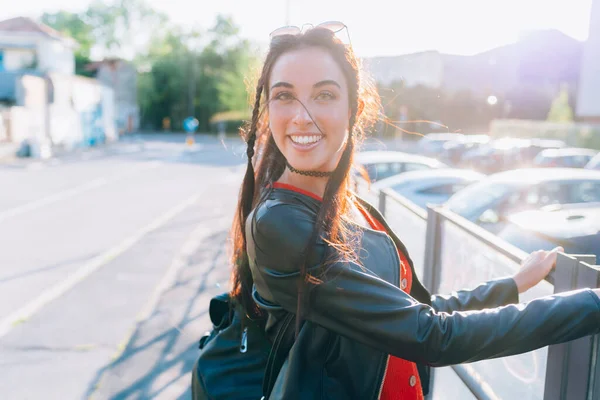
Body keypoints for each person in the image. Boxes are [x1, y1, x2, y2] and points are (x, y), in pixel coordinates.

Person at [228, 23, 600, 399]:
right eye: (284, 95)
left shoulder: (355, 209)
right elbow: (432, 335)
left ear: (354, 109)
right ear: (267, 108)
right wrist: (593, 303)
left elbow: (419, 311)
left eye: (324, 94)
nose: (302, 116)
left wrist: (511, 285)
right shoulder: (279, 224)